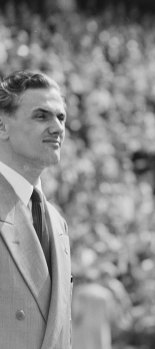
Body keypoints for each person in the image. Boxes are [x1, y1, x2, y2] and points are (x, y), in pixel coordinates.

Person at [0, 70, 71, 348]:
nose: (57, 127)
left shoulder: (57, 222)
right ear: (2, 127)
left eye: (61, 117)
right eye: (41, 116)